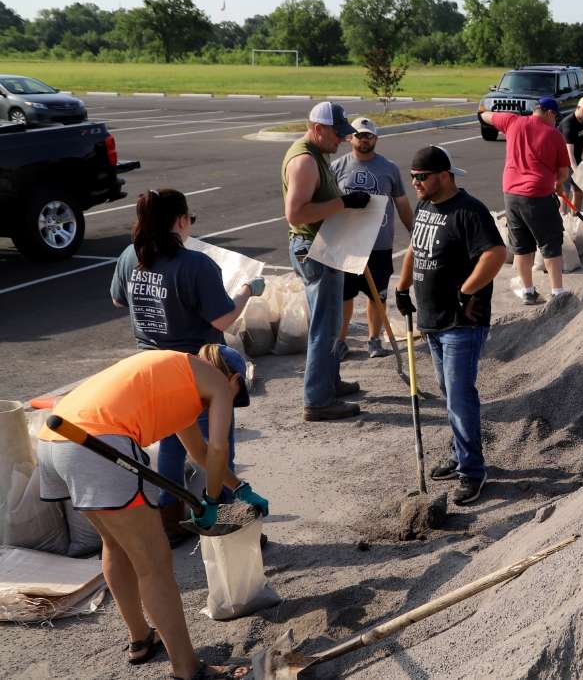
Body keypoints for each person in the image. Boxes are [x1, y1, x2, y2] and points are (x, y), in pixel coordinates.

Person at [36, 348, 268, 680]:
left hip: (55, 439)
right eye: (235, 395)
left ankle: (141, 639)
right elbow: (219, 448)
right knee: (154, 564)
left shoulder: (179, 378)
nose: (228, 402)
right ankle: (188, 669)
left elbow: (200, 452)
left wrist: (240, 487)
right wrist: (212, 500)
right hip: (96, 443)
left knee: (115, 544)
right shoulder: (217, 382)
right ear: (234, 379)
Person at [109, 188, 263, 540]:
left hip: (152, 368)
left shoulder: (130, 256)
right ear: (180, 221)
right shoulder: (195, 264)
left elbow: (118, 300)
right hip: (197, 370)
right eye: (190, 218)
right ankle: (226, 520)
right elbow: (223, 319)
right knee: (215, 446)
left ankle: (170, 519)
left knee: (172, 444)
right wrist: (247, 291)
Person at [392, 146, 506, 505]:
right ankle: (459, 454)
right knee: (448, 391)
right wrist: (402, 286)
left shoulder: (469, 211)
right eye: (412, 177)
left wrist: (466, 290)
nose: (415, 183)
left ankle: (473, 471)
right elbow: (415, 248)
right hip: (433, 320)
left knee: (459, 395)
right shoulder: (425, 206)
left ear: (444, 176)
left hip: (462, 322)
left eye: (421, 177)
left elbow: (496, 253)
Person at [283, 101, 371, 421]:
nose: (343, 139)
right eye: (337, 133)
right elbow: (296, 213)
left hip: (323, 246)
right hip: (314, 249)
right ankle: (317, 400)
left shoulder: (317, 153)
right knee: (324, 326)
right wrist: (343, 203)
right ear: (318, 129)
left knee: (331, 324)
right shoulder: (305, 161)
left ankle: (329, 382)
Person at [331, 116, 414, 359]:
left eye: (368, 136)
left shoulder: (389, 168)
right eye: (359, 135)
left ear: (376, 138)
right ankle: (340, 340)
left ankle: (374, 339)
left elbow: (401, 202)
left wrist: (414, 231)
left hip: (379, 246)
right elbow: (327, 203)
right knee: (344, 296)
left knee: (378, 295)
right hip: (348, 246)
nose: (364, 140)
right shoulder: (337, 167)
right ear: (350, 138)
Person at [478, 97, 570, 305]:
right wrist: (558, 183)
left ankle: (528, 291)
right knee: (550, 243)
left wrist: (482, 110)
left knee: (522, 246)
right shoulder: (554, 135)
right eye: (555, 117)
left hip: (511, 194)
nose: (555, 121)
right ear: (549, 113)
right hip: (538, 195)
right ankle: (558, 293)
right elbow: (563, 173)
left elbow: (486, 116)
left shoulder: (512, 121)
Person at [558, 97, 583, 213]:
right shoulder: (568, 124)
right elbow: (569, 153)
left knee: (580, 192)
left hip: (577, 159)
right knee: (564, 194)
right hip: (562, 162)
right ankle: (562, 218)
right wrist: (577, 171)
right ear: (578, 108)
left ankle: (575, 218)